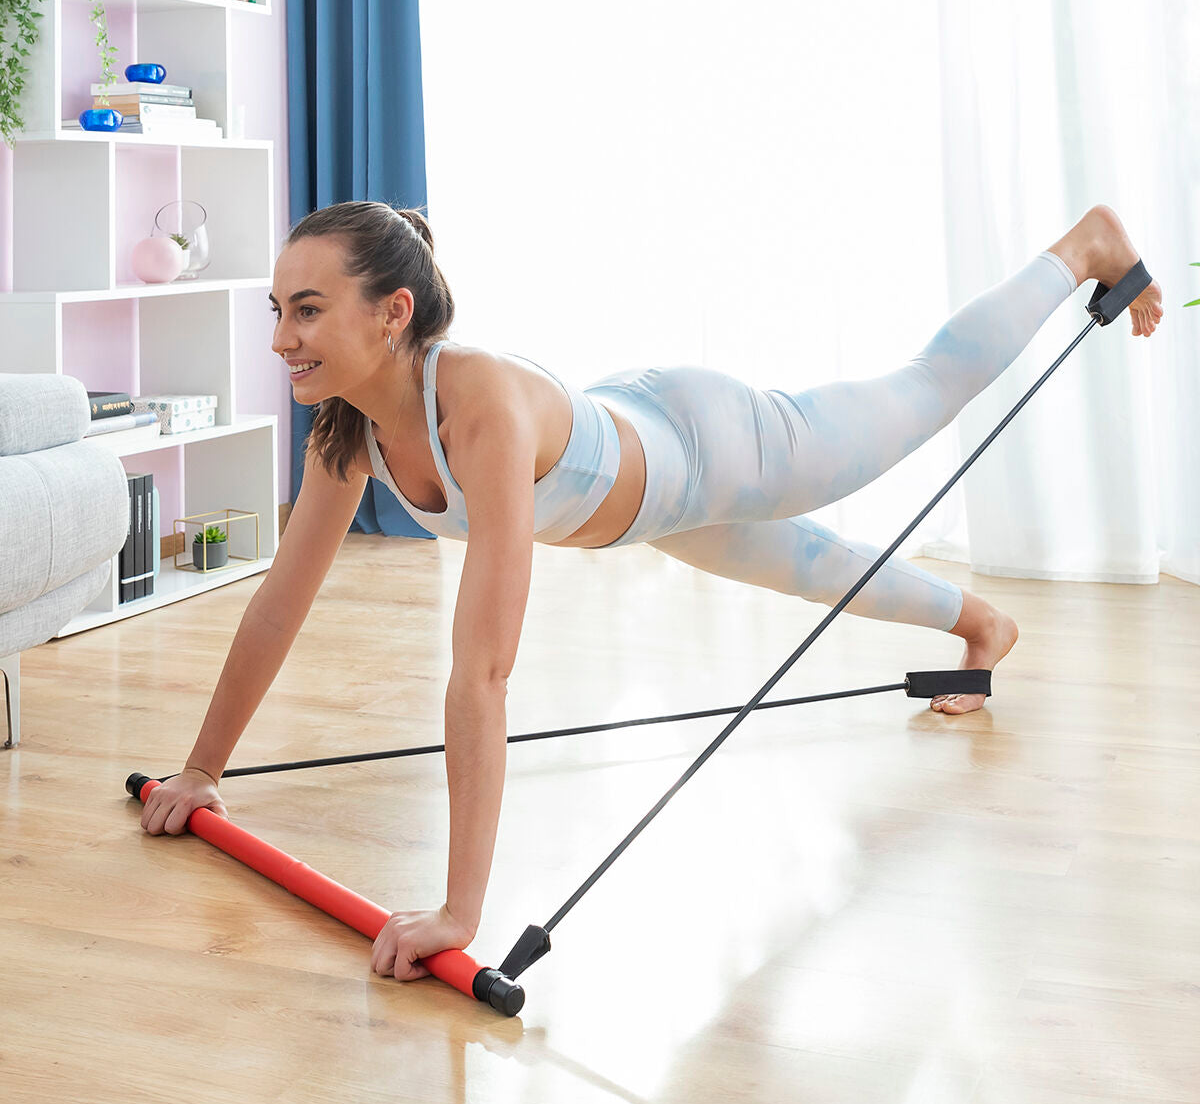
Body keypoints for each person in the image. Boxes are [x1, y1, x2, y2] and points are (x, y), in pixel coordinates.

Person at [139, 200, 1163, 981]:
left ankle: (1084, 246)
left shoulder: (479, 399)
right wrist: (201, 770)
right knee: (813, 569)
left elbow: (483, 672)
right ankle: (979, 623)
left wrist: (458, 915)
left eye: (307, 310)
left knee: (919, 397)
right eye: (278, 310)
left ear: (391, 311)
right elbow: (281, 601)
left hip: (709, 448)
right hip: (644, 492)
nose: (282, 338)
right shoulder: (346, 430)